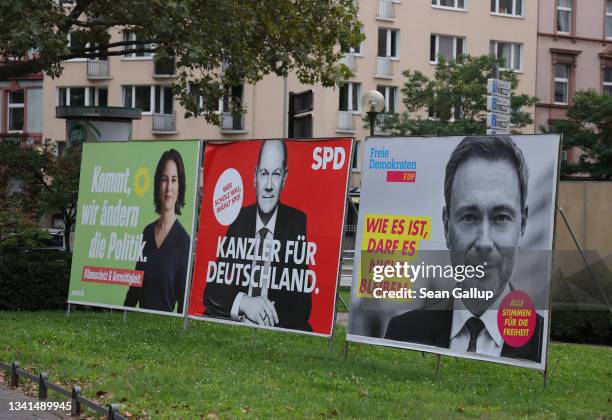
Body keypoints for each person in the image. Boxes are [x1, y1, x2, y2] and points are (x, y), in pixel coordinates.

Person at [385, 136, 543, 362]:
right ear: (447, 225)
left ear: (523, 224)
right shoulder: (403, 332)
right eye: (469, 217)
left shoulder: (539, 342)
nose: (485, 243)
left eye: (501, 217)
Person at [204, 139, 312, 331]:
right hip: (237, 322)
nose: (269, 185)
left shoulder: (296, 223)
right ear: (255, 177)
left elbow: (301, 305)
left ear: (284, 178)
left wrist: (262, 315)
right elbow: (212, 290)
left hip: (273, 328)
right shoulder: (238, 218)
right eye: (264, 174)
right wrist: (245, 303)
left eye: (276, 174)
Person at [124, 149, 190, 313]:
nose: (169, 188)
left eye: (174, 180)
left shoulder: (184, 241)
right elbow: (135, 285)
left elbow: (183, 304)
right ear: (157, 184)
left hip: (165, 328)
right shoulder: (146, 232)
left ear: (179, 187)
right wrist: (122, 316)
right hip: (138, 324)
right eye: (164, 180)